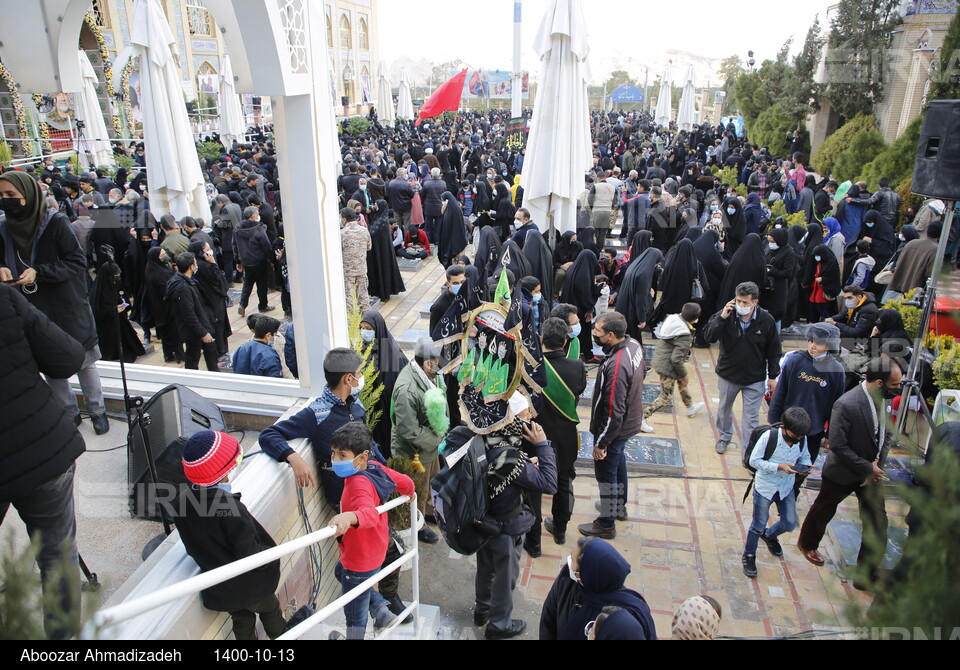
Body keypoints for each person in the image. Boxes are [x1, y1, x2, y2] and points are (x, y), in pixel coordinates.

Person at [0, 283, 85, 640]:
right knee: (57, 553)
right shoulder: (4, 297)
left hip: (36, 450)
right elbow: (66, 357)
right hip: (42, 447)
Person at [0, 171, 109, 435]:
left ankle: (98, 411)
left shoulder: (55, 222)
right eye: (2, 196)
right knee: (50, 363)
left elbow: (76, 262)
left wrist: (41, 271)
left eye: (11, 195)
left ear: (27, 194)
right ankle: (69, 413)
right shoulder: (4, 227)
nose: (6, 200)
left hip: (67, 305)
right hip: (31, 307)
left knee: (85, 362)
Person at [172, 430, 288, 641]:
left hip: (223, 587)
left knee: (242, 620)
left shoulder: (181, 502)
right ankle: (284, 636)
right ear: (224, 471)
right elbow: (249, 553)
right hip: (251, 585)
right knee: (270, 609)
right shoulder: (229, 507)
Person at [797, 357, 901, 590]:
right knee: (824, 509)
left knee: (877, 523)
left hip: (871, 474)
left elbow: (885, 436)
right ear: (878, 382)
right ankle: (807, 543)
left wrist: (876, 468)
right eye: (894, 385)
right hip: (843, 470)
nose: (898, 389)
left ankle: (866, 573)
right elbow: (839, 446)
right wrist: (866, 467)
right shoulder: (846, 404)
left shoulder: (883, 401)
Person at [466, 405, 556, 639]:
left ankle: (482, 610)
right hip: (506, 527)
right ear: (512, 419)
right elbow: (550, 484)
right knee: (506, 578)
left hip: (483, 520)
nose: (532, 417)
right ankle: (499, 625)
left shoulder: (487, 439)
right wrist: (543, 445)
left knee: (485, 569)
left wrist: (525, 463)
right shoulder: (511, 457)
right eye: (526, 414)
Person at [259, 348, 386, 507]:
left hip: (370, 484)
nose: (361, 377)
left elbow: (369, 443)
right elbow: (269, 434)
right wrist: (293, 457)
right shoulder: (317, 413)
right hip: (344, 496)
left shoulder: (356, 404)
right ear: (348, 378)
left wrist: (385, 469)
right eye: (359, 373)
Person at [326, 422, 415, 639]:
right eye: (334, 453)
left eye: (342, 455)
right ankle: (381, 611)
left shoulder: (358, 484)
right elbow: (406, 482)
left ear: (362, 458)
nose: (335, 460)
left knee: (355, 616)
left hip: (358, 560)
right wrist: (410, 493)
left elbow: (369, 513)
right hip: (375, 550)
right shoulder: (376, 468)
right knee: (340, 572)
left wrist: (349, 516)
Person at [580, 312, 648, 539]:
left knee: (607, 474)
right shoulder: (633, 344)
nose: (594, 334)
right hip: (629, 422)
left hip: (616, 429)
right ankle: (619, 506)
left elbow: (613, 411)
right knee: (618, 464)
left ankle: (606, 523)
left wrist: (601, 442)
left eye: (597, 331)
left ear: (610, 335)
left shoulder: (617, 366)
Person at [704, 281, 781, 456]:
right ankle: (724, 436)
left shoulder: (766, 320)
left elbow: (774, 350)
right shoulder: (726, 315)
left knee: (751, 418)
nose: (741, 305)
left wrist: (773, 376)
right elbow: (709, 336)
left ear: (755, 302)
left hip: (754, 377)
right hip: (728, 374)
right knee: (724, 409)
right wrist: (721, 318)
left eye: (745, 302)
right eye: (738, 300)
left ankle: (749, 451)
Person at [741, 407, 813, 579]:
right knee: (758, 524)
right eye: (794, 436)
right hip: (765, 487)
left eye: (800, 437)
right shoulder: (770, 437)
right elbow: (754, 461)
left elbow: (805, 456)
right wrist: (778, 467)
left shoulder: (801, 439)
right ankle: (749, 555)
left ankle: (770, 535)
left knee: (789, 522)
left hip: (786, 488)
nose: (797, 440)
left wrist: (805, 467)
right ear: (784, 428)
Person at [389, 338, 448, 545]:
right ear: (427, 364)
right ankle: (418, 524)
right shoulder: (407, 389)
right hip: (414, 449)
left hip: (429, 445)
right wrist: (437, 438)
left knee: (432, 481)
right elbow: (408, 430)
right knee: (417, 491)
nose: (440, 365)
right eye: (437, 361)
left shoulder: (427, 375)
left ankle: (430, 512)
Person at [539, 537, 656, 640]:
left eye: (573, 561)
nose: (569, 563)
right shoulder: (568, 580)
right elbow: (548, 617)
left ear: (587, 574)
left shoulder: (621, 618)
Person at [539, 318, 588, 546]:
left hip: (537, 437)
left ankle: (532, 537)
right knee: (564, 482)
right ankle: (559, 530)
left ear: (541, 339)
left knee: (533, 484)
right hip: (566, 436)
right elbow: (579, 389)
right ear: (565, 341)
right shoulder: (577, 367)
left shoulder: (533, 367)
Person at [359, 310, 408, 457]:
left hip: (386, 412)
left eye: (369, 329)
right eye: (362, 328)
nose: (364, 332)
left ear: (378, 329)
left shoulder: (392, 354)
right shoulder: (364, 348)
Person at [645, 303, 706, 419]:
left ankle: (690, 406)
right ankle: (643, 417)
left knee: (682, 383)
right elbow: (676, 359)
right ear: (695, 319)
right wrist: (684, 374)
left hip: (661, 359)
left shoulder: (674, 319)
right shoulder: (685, 334)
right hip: (667, 367)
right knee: (666, 396)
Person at [165, 252, 219, 372]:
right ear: (191, 266)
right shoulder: (182, 287)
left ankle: (214, 374)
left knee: (210, 352)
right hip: (194, 330)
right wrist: (203, 333)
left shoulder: (186, 281)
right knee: (192, 357)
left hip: (201, 325)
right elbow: (189, 314)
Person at [233, 206, 275, 317]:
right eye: (257, 213)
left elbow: (235, 246)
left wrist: (238, 261)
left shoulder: (237, 228)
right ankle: (263, 305)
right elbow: (266, 246)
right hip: (259, 261)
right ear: (252, 216)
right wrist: (272, 259)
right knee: (262, 284)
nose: (258, 215)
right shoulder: (258, 228)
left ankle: (242, 304)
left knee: (248, 283)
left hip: (246, 261)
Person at [886, 221, 941, 302]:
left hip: (903, 283)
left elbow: (899, 262)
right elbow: (930, 274)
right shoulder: (935, 249)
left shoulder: (912, 243)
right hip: (917, 289)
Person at [340, 207, 373, 308]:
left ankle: (352, 322)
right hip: (362, 268)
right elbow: (369, 247)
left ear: (344, 219)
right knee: (363, 296)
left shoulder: (341, 233)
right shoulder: (364, 230)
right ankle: (367, 320)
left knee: (350, 299)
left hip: (348, 271)